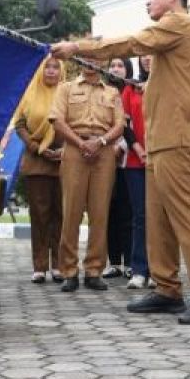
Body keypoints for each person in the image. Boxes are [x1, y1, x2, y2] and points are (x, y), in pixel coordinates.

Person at [50, 0, 190, 325]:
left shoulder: (178, 24)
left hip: (177, 136)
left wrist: (77, 48)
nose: (147, 2)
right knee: (156, 217)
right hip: (162, 137)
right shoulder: (172, 35)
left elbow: (131, 43)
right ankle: (167, 289)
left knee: (187, 215)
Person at [49, 61, 125, 292]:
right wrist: (81, 143)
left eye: (94, 59)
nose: (89, 64)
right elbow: (57, 121)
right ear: (77, 61)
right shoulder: (66, 88)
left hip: (103, 152)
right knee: (71, 212)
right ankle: (69, 271)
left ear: (103, 63)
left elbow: (120, 124)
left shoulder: (112, 92)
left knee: (99, 213)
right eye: (84, 58)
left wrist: (100, 142)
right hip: (74, 149)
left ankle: (94, 270)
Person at [14, 55, 65, 284]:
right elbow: (20, 124)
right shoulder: (30, 93)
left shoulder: (68, 93)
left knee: (61, 215)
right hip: (36, 161)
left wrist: (64, 149)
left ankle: (60, 265)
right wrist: (37, 148)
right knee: (40, 215)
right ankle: (40, 266)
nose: (51, 71)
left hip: (64, 160)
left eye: (56, 67)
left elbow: (75, 123)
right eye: (48, 67)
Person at [120, 55, 153, 289]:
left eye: (152, 54)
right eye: (144, 56)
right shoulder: (131, 88)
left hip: (163, 157)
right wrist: (138, 148)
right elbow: (124, 124)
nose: (148, 59)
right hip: (135, 160)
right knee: (140, 216)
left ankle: (161, 271)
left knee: (162, 216)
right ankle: (139, 269)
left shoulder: (169, 83)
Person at [103, 57, 134, 279]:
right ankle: (113, 261)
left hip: (128, 160)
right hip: (103, 158)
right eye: (112, 65)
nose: (115, 69)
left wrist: (121, 146)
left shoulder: (133, 91)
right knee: (109, 211)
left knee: (128, 211)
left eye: (120, 65)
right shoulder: (102, 92)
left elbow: (132, 126)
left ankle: (131, 261)